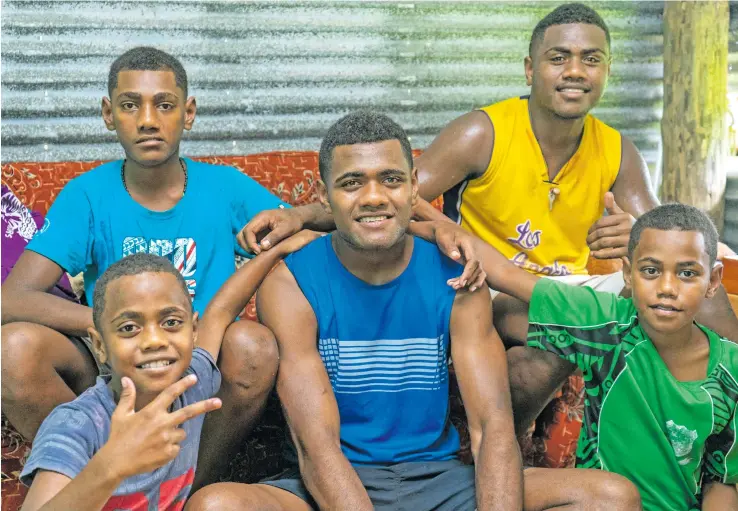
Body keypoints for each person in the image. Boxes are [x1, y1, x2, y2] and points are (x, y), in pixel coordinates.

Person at [236, 2, 738, 433]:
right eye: (558, 58)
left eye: (591, 60)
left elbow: (669, 240)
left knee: (703, 288)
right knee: (540, 352)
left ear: (607, 70)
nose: (574, 72)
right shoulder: (484, 132)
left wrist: (634, 234)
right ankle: (496, 465)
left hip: (577, 287)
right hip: (492, 285)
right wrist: (300, 214)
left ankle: (728, 417)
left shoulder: (618, 149)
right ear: (529, 68)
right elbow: (394, 197)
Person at [185, 111, 641, 511]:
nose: (374, 197)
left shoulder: (457, 273)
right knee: (216, 504)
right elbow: (316, 448)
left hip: (439, 481)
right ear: (323, 197)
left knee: (610, 497)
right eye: (351, 183)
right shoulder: (291, 283)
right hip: (332, 483)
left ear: (414, 186)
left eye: (391, 179)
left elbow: (491, 428)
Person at [0, 46, 302, 489]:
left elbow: (323, 219)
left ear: (189, 112)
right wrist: (106, 327)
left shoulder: (223, 186)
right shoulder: (87, 194)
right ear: (108, 114)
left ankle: (187, 488)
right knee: (12, 349)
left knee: (253, 344)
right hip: (113, 364)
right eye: (129, 105)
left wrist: (298, 216)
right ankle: (107, 488)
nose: (147, 119)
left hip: (204, 357)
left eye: (164, 104)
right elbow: (11, 299)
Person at [411, 203, 738, 510]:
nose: (667, 287)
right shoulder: (607, 323)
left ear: (713, 281)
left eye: (686, 274)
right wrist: (437, 230)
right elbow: (506, 275)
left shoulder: (732, 370)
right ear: (628, 274)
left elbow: (720, 479)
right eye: (651, 270)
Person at [19, 230, 319, 511]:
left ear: (193, 331)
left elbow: (221, 310)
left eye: (171, 322)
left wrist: (275, 251)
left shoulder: (193, 378)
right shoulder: (78, 425)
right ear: (99, 345)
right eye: (129, 327)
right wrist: (111, 465)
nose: (154, 340)